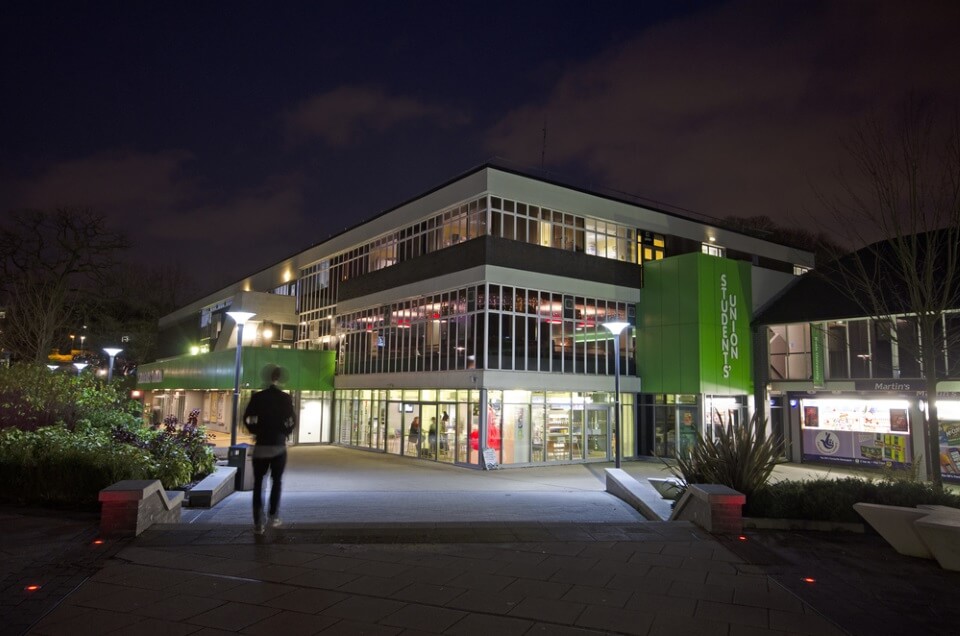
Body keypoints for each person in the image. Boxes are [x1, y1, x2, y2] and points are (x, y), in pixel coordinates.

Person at [243, 365, 296, 535]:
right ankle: (273, 516)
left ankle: (258, 523)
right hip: (278, 445)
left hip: (261, 444)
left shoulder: (258, 397)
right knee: (276, 481)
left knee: (259, 483)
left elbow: (247, 418)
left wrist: (255, 431)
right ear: (280, 379)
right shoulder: (285, 398)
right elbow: (292, 420)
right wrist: (284, 433)